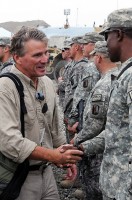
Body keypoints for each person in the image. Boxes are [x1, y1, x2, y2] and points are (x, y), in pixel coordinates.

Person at [0, 26, 83, 200]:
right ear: (17, 58)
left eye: (46, 53)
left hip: (46, 174)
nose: (45, 59)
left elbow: (54, 127)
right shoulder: (5, 88)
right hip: (18, 176)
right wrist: (53, 155)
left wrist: (64, 155)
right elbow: (9, 141)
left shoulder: (46, 82)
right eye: (37, 55)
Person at [74, 8, 132, 200]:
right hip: (116, 186)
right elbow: (118, 130)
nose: (106, 43)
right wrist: (84, 147)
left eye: (107, 35)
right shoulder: (124, 74)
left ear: (119, 34)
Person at [71, 40, 119, 199]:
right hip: (110, 145)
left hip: (96, 149)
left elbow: (95, 124)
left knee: (94, 189)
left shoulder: (104, 84)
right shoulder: (120, 77)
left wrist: (78, 140)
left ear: (98, 58)